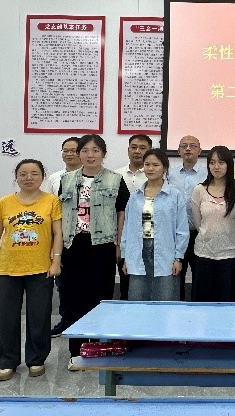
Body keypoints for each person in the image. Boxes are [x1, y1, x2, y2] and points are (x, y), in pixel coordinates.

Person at [0, 159, 62, 382]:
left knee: (39, 317)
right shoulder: (4, 202)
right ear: (16, 177)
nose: (29, 178)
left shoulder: (51, 201)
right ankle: (6, 361)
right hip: (8, 269)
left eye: (34, 173)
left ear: (42, 177)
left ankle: (37, 359)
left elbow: (58, 233)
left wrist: (56, 261)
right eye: (23, 174)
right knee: (6, 318)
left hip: (40, 269)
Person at [58, 134, 130, 367]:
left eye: (96, 150)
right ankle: (76, 351)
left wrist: (119, 244)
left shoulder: (115, 179)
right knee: (74, 299)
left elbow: (122, 214)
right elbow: (60, 216)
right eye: (85, 150)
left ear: (103, 154)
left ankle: (99, 346)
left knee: (100, 297)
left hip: (103, 245)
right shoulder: (66, 180)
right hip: (73, 245)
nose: (90, 155)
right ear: (79, 154)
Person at [121, 149, 187, 301]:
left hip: (165, 253)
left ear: (164, 168)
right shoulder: (135, 196)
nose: (150, 168)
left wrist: (178, 257)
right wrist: (125, 256)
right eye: (147, 164)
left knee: (165, 298)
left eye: (155, 165)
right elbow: (127, 228)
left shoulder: (174, 195)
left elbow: (182, 229)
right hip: (138, 251)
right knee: (137, 299)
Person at [190, 146, 235, 302]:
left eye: (221, 162)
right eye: (212, 163)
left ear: (229, 164)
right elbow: (198, 223)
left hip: (231, 255)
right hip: (204, 254)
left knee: (228, 301)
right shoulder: (199, 190)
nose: (216, 167)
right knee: (203, 302)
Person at [45, 136, 81, 338]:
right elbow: (48, 209)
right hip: (62, 238)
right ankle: (66, 321)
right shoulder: (54, 178)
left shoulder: (93, 177)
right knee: (64, 284)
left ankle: (86, 322)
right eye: (65, 150)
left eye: (73, 150)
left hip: (85, 237)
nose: (69, 154)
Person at [167, 135, 207, 300]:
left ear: (200, 151)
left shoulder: (208, 173)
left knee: (200, 276)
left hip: (199, 232)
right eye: (184, 146)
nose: (188, 149)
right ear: (178, 151)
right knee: (176, 275)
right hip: (176, 233)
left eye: (192, 146)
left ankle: (199, 308)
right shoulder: (170, 174)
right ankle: (177, 308)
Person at [114, 134, 153, 301]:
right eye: (134, 147)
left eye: (143, 148)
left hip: (148, 235)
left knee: (148, 283)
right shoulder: (116, 175)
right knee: (126, 282)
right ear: (128, 150)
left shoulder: (154, 174)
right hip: (123, 236)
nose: (137, 151)